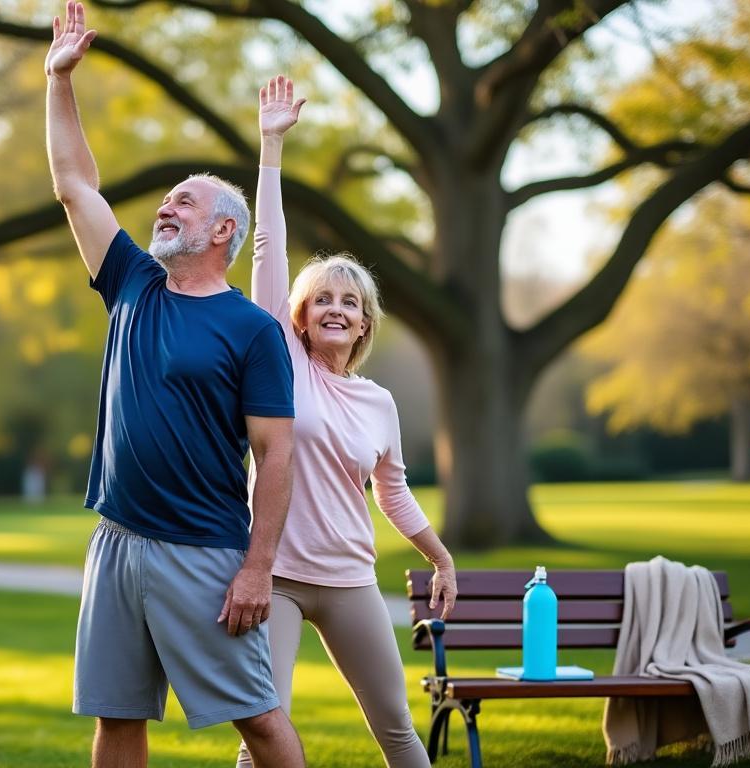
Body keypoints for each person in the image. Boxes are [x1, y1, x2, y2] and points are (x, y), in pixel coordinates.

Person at [45, 4, 305, 766]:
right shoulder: (130, 281)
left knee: (256, 717)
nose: (167, 204)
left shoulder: (253, 330)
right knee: (116, 719)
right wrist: (59, 81)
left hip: (203, 551)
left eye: (185, 200)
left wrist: (257, 568)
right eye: (168, 198)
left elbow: (276, 456)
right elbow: (72, 184)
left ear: (224, 231)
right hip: (117, 541)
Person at [236, 77, 458, 768]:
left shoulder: (379, 402)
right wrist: (271, 147)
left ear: (364, 322)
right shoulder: (281, 362)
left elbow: (391, 494)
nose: (335, 307)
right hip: (273, 575)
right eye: (321, 298)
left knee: (396, 728)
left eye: (349, 301)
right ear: (299, 315)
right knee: (265, 734)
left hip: (350, 579)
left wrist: (439, 555)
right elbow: (269, 249)